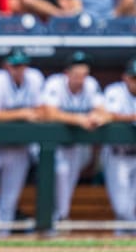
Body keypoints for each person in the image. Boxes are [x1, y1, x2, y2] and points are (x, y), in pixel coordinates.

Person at [0, 48, 44, 236]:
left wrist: (16, 115)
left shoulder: (35, 79)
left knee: (9, 204)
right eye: (14, 65)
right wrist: (21, 113)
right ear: (6, 66)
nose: (18, 69)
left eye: (22, 65)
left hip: (19, 148)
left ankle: (2, 244)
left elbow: (43, 111)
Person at [40, 51, 109, 223]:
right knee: (60, 173)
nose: (81, 78)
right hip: (51, 146)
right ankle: (58, 218)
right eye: (77, 74)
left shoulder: (91, 85)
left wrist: (97, 117)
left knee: (67, 182)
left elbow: (103, 110)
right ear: (67, 73)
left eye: (84, 74)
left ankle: (60, 218)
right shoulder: (55, 83)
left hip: (75, 147)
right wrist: (78, 119)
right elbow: (48, 112)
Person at [102, 57, 136, 230]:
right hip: (118, 155)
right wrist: (132, 118)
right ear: (126, 77)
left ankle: (124, 241)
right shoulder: (115, 91)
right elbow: (108, 115)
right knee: (122, 207)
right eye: (134, 78)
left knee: (131, 206)